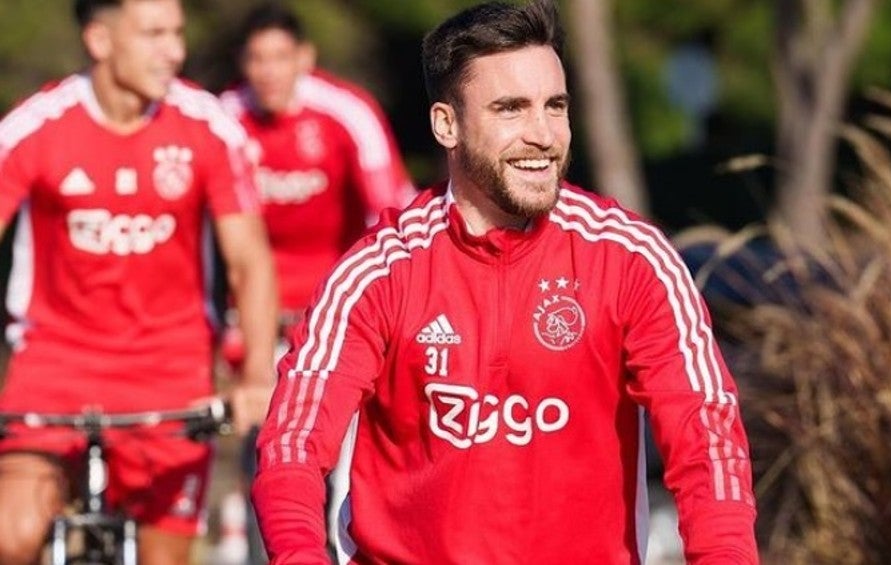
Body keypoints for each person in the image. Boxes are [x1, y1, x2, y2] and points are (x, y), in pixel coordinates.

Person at [251, 1, 758, 563]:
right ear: (446, 125)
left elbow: (708, 443)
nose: (542, 134)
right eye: (510, 109)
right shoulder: (377, 273)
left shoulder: (631, 259)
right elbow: (293, 447)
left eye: (555, 106)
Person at [0, 1, 278, 564]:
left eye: (177, 33)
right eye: (154, 34)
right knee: (12, 534)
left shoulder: (206, 125)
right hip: (53, 368)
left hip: (171, 376)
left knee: (164, 558)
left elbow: (249, 261)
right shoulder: (35, 125)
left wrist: (255, 376)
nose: (174, 51)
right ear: (100, 40)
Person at [219, 3, 415, 327]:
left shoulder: (348, 111)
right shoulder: (224, 118)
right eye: (257, 59)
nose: (269, 72)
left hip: (337, 290)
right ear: (241, 62)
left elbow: (389, 209)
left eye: (281, 57)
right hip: (250, 300)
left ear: (305, 58)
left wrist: (382, 295)